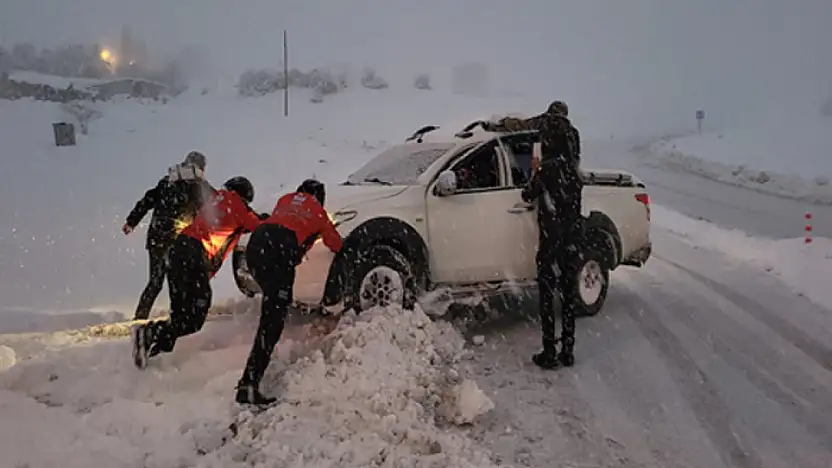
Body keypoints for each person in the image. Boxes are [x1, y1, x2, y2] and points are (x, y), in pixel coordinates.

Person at [482, 100, 583, 369]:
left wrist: (536, 170)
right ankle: (568, 351)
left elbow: (528, 194)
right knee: (568, 295)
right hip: (572, 240)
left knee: (548, 296)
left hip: (551, 241)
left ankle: (549, 351)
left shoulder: (547, 170)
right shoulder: (575, 174)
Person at [131, 176, 263, 369]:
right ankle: (150, 333)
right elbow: (259, 226)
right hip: (193, 254)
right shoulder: (236, 204)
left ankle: (151, 351)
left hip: (176, 252)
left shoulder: (214, 200)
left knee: (180, 315)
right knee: (196, 315)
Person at [236, 179, 343, 405]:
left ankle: (250, 381)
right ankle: (248, 385)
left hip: (257, 245)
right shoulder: (318, 212)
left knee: (272, 305)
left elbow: (282, 220)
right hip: (280, 249)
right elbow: (335, 244)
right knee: (272, 321)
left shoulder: (284, 200)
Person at [122, 151, 215, 321]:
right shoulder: (199, 185)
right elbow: (217, 202)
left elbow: (147, 200)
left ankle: (140, 317)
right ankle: (178, 316)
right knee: (177, 279)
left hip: (156, 237)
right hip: (177, 240)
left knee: (155, 281)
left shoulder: (168, 181)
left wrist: (131, 221)